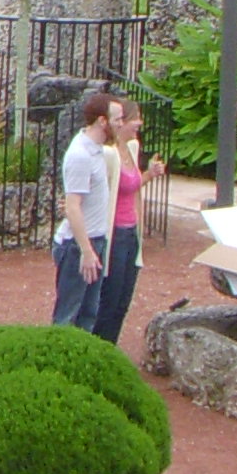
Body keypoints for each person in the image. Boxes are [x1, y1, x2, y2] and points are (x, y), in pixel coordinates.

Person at [49, 89, 117, 331]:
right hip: (78, 245)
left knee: (88, 313)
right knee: (68, 315)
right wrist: (87, 251)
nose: (120, 125)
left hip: (95, 240)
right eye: (117, 120)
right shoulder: (80, 155)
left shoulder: (97, 150)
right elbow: (73, 206)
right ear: (102, 121)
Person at [95, 95, 147, 346]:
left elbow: (131, 187)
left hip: (131, 232)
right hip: (115, 234)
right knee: (110, 299)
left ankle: (111, 348)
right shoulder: (109, 154)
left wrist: (149, 175)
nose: (140, 123)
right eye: (135, 118)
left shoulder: (132, 149)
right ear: (122, 122)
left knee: (124, 300)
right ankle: (100, 348)